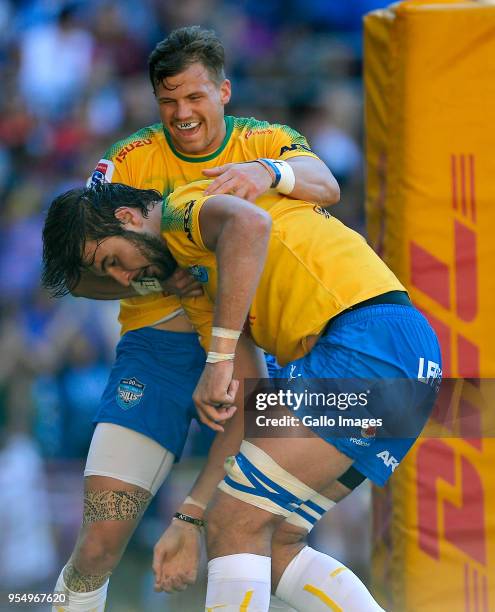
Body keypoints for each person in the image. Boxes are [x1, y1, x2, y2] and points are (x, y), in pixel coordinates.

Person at [46, 25, 341, 612]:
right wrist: (160, 279)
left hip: (250, 349)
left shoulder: (266, 141)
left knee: (265, 536)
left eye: (194, 96)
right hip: (156, 350)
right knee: (101, 540)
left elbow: (326, 185)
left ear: (224, 91)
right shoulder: (127, 162)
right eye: (168, 100)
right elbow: (76, 271)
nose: (182, 112)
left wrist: (268, 173)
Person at [41, 180, 442, 611]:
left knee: (234, 524)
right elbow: (255, 406)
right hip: (400, 354)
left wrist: (217, 357)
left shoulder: (177, 213)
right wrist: (189, 514)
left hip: (364, 346)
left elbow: (251, 222)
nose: (123, 278)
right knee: (277, 544)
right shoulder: (204, 282)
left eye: (114, 260)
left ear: (128, 217)